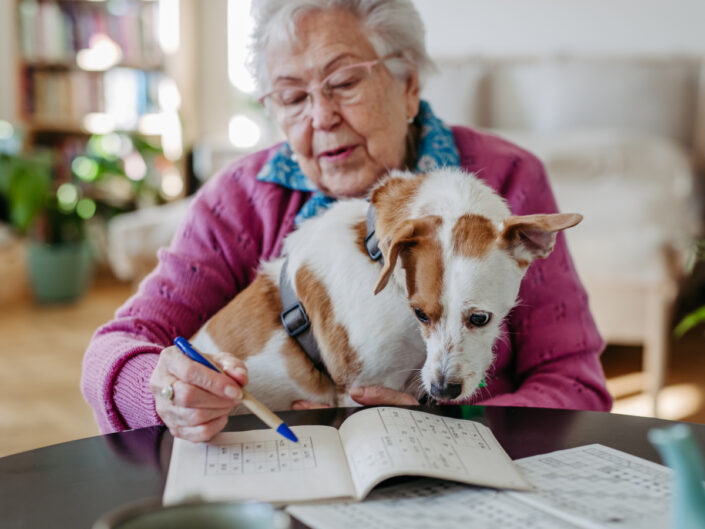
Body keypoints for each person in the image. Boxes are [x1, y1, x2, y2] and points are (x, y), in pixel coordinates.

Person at [81, 0, 612, 442]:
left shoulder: (509, 182)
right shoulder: (238, 199)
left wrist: (454, 427)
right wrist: (165, 393)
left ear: (408, 85)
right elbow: (117, 345)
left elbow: (576, 386)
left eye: (343, 83)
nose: (320, 117)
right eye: (292, 97)